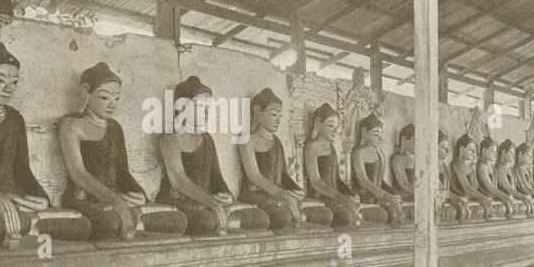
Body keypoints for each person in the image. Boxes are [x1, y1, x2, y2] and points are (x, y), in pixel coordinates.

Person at [0, 40, 91, 247]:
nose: (8, 88)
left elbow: (22, 170)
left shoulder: (14, 118)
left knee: (80, 225)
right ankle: (24, 230)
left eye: (13, 82)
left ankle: (26, 227)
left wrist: (40, 198)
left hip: (15, 195)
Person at [58, 62, 186, 240]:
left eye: (116, 98)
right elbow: (78, 173)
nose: (111, 104)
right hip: (86, 195)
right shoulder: (71, 124)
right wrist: (112, 198)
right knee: (112, 222)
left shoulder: (114, 127)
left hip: (116, 195)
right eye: (104, 98)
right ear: (86, 93)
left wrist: (139, 193)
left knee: (176, 220)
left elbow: (123, 171)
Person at [156, 76, 270, 236]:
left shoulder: (207, 138)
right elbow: (178, 181)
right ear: (182, 108)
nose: (207, 111)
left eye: (209, 106)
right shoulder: (170, 137)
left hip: (207, 200)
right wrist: (212, 203)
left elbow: (216, 175)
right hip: (179, 200)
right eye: (200, 106)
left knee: (260, 218)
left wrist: (227, 195)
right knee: (208, 221)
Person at [237, 88, 331, 230]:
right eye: (273, 114)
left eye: (280, 115)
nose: (278, 119)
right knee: (285, 217)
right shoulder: (248, 140)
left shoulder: (277, 141)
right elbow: (254, 175)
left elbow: (284, 174)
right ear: (257, 112)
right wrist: (282, 194)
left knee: (323, 215)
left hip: (276, 192)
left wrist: (295, 188)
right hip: (254, 193)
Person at [303, 103, 375, 227]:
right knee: (346, 216)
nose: (336, 130)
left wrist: (349, 193)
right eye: (330, 126)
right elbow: (315, 182)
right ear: (318, 125)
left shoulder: (330, 147)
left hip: (334, 196)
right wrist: (341, 197)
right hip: (320, 196)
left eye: (336, 126)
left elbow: (337, 179)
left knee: (357, 212)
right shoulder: (311, 147)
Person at [350, 113, 410, 223]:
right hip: (364, 195)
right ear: (364, 133)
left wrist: (393, 193)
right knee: (385, 214)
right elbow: (363, 181)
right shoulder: (359, 153)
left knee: (395, 212)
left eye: (381, 135)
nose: (380, 138)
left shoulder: (379, 154)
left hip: (377, 195)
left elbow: (380, 180)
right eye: (376, 135)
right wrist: (386, 196)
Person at [450, 135, 502, 218]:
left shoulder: (471, 166)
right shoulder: (457, 165)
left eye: (474, 150)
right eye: (470, 149)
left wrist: (485, 197)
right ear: (462, 150)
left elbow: (476, 187)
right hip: (464, 197)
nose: (474, 153)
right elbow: (467, 188)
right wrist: (483, 198)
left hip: (473, 198)